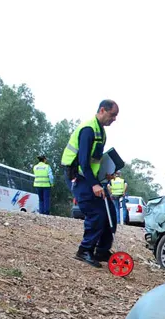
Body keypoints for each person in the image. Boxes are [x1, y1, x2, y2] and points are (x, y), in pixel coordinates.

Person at [61, 99, 119, 268]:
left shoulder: (102, 132)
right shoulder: (88, 129)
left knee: (110, 213)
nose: (114, 119)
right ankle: (84, 250)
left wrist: (105, 175)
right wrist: (94, 185)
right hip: (77, 176)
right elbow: (83, 162)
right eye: (113, 114)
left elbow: (95, 162)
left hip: (89, 177)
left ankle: (101, 250)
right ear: (102, 110)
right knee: (96, 213)